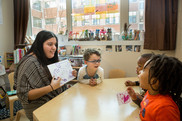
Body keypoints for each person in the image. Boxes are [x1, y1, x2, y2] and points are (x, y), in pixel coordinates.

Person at [14, 30, 77, 121]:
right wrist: (51, 87)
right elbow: (24, 94)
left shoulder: (46, 57)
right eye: (50, 44)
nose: (54, 48)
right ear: (39, 44)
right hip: (37, 106)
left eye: (55, 44)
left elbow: (57, 80)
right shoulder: (29, 62)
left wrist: (69, 74)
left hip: (55, 99)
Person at [128, 54, 181, 121]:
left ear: (154, 81)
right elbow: (146, 107)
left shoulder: (164, 109)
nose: (140, 71)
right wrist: (135, 98)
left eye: (143, 70)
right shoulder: (150, 92)